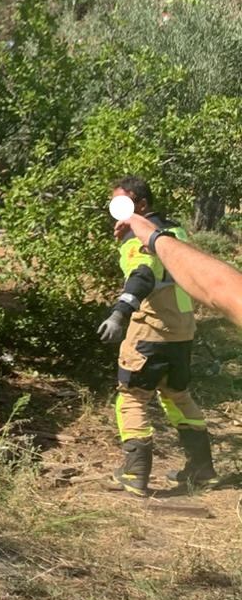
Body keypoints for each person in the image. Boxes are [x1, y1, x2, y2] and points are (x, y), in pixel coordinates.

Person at [97, 176, 214, 495]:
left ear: (142, 205)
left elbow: (143, 274)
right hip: (182, 330)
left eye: (123, 204)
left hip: (150, 328)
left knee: (133, 396)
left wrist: (119, 313)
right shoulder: (174, 231)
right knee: (178, 396)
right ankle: (202, 469)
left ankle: (135, 474)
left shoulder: (140, 236)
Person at [124, 211, 242, 329]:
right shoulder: (176, 229)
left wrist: (120, 311)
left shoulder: (136, 236)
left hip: (154, 325)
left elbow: (142, 275)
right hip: (185, 323)